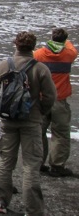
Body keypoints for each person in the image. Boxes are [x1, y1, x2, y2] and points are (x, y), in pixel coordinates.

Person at [0, 31, 56, 215]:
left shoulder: (2, 65)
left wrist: (4, 107)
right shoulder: (40, 68)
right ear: (33, 47)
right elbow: (50, 96)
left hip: (8, 121)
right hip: (32, 121)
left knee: (5, 161)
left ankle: (1, 201)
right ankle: (32, 210)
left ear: (15, 45)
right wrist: (40, 110)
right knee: (31, 165)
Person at [34, 28, 77, 177]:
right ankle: (57, 166)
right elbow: (71, 46)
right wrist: (65, 41)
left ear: (52, 38)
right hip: (59, 99)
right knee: (60, 134)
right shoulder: (69, 54)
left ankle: (38, 163)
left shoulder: (39, 54)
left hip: (42, 98)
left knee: (38, 132)